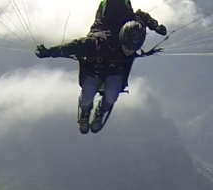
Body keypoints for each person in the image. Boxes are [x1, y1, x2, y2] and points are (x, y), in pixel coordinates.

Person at [35, 1, 166, 134]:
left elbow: (142, 16)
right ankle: (85, 112)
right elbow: (72, 47)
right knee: (87, 96)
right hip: (95, 67)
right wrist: (48, 52)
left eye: (133, 49)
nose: (130, 51)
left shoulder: (134, 27)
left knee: (111, 95)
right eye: (127, 48)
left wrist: (156, 26)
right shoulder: (96, 42)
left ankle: (100, 112)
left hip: (115, 68)